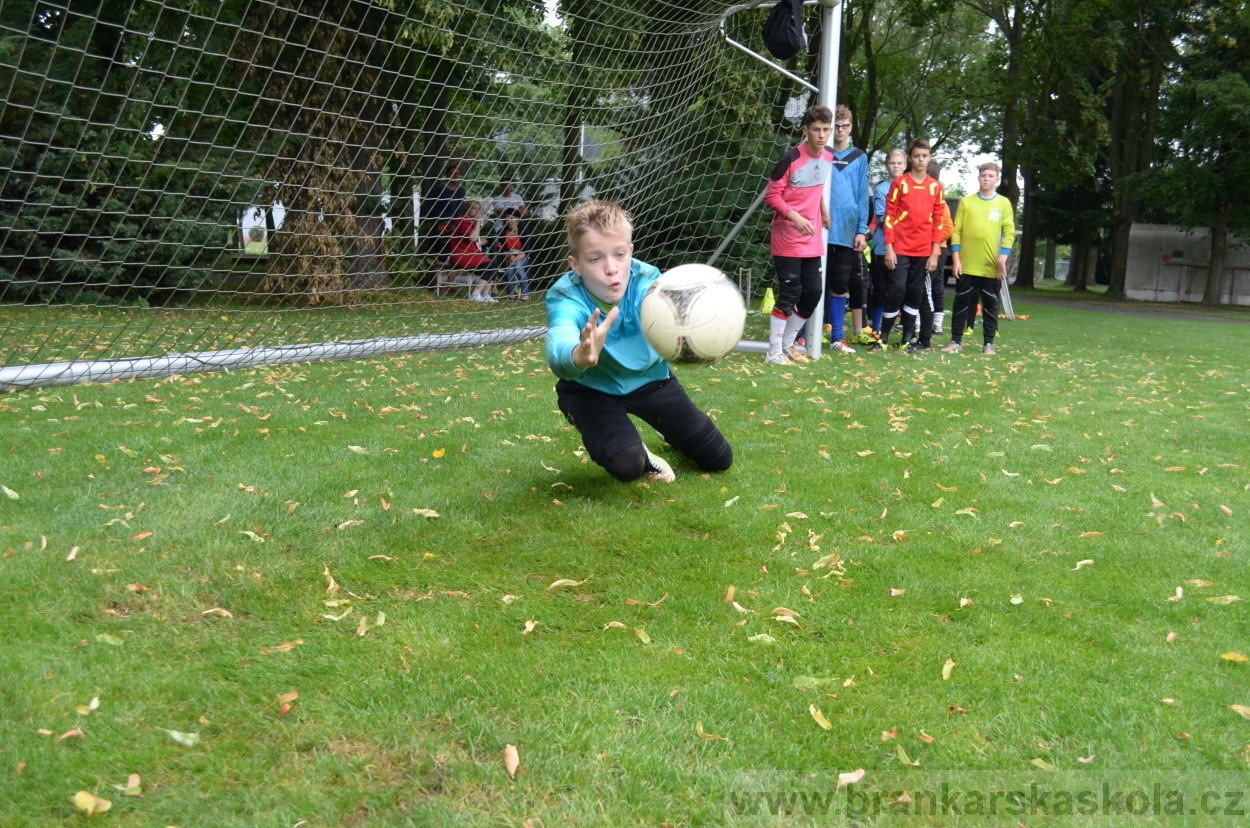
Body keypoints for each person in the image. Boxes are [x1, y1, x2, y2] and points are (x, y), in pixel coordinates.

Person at [545, 200, 733, 483]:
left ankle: (666, 429)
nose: (611, 268)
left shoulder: (651, 282)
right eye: (595, 259)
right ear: (576, 265)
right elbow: (559, 339)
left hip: (652, 381)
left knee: (719, 460)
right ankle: (641, 453)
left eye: (619, 255)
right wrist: (578, 355)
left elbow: (678, 313)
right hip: (590, 391)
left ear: (630, 252)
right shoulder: (565, 296)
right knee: (626, 464)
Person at [764, 105, 833, 364]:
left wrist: (823, 210)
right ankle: (773, 352)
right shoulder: (790, 158)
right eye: (816, 129)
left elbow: (816, 190)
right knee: (790, 293)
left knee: (813, 293)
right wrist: (795, 217)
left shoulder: (828, 157)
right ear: (806, 131)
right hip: (787, 238)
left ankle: (787, 346)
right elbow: (771, 196)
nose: (822, 135)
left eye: (826, 130)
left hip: (811, 239)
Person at [872, 139, 945, 353]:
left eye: (924, 156)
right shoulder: (900, 184)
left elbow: (938, 221)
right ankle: (883, 338)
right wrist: (889, 247)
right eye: (916, 156)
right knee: (896, 289)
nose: (920, 160)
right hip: (900, 249)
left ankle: (907, 339)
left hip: (923, 251)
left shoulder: (935, 187)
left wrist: (934, 253)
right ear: (910, 158)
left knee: (915, 291)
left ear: (929, 157)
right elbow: (889, 217)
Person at [942, 162, 1016, 355]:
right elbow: (956, 231)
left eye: (991, 176)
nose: (986, 179)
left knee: (991, 305)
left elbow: (1009, 232)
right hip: (966, 264)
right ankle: (955, 341)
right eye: (983, 175)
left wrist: (1002, 259)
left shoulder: (1003, 203)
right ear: (978, 177)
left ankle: (988, 344)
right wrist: (956, 259)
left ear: (997, 180)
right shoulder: (967, 202)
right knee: (961, 303)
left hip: (991, 266)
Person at [822, 104, 870, 354]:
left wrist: (862, 230)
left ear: (851, 127)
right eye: (836, 126)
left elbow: (863, 196)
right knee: (813, 282)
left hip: (847, 231)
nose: (840, 130)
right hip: (819, 227)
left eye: (844, 126)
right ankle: (800, 334)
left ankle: (837, 338)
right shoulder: (821, 153)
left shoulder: (860, 157)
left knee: (840, 284)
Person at [902, 159, 954, 342]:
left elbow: (948, 228)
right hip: (918, 251)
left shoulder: (940, 202)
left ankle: (927, 333)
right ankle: (914, 327)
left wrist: (929, 242)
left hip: (935, 252)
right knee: (917, 289)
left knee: (930, 291)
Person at [867, 149, 907, 339]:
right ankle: (876, 328)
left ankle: (903, 330)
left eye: (900, 163)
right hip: (883, 248)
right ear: (887, 166)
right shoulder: (882, 189)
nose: (896, 166)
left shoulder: (911, 187)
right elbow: (885, 219)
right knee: (881, 290)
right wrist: (910, 224)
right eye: (892, 163)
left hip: (906, 249)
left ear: (906, 165)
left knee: (901, 290)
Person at [448, 200, 498, 302]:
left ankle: (485, 295)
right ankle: (475, 294)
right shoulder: (463, 220)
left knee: (494, 266)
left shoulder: (469, 222)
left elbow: (473, 238)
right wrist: (478, 221)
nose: (477, 211)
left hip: (471, 255)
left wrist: (479, 240)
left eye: (478, 209)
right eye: (474, 208)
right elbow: (471, 237)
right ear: (467, 209)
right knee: (489, 268)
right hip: (462, 256)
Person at [426, 162, 466, 263]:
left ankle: (450, 279)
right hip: (443, 228)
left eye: (457, 173)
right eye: (452, 173)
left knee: (454, 256)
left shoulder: (461, 191)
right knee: (442, 256)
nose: (455, 176)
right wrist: (440, 221)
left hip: (457, 228)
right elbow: (429, 207)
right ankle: (436, 277)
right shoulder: (441, 190)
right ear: (448, 175)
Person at [491, 210, 531, 300]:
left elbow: (526, 251)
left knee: (518, 265)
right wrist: (510, 256)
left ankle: (525, 294)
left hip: (522, 257)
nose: (509, 221)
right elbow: (502, 250)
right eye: (507, 219)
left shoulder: (524, 231)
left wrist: (515, 258)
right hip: (507, 256)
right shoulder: (502, 232)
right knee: (510, 268)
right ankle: (511, 294)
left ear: (517, 219)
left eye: (512, 218)